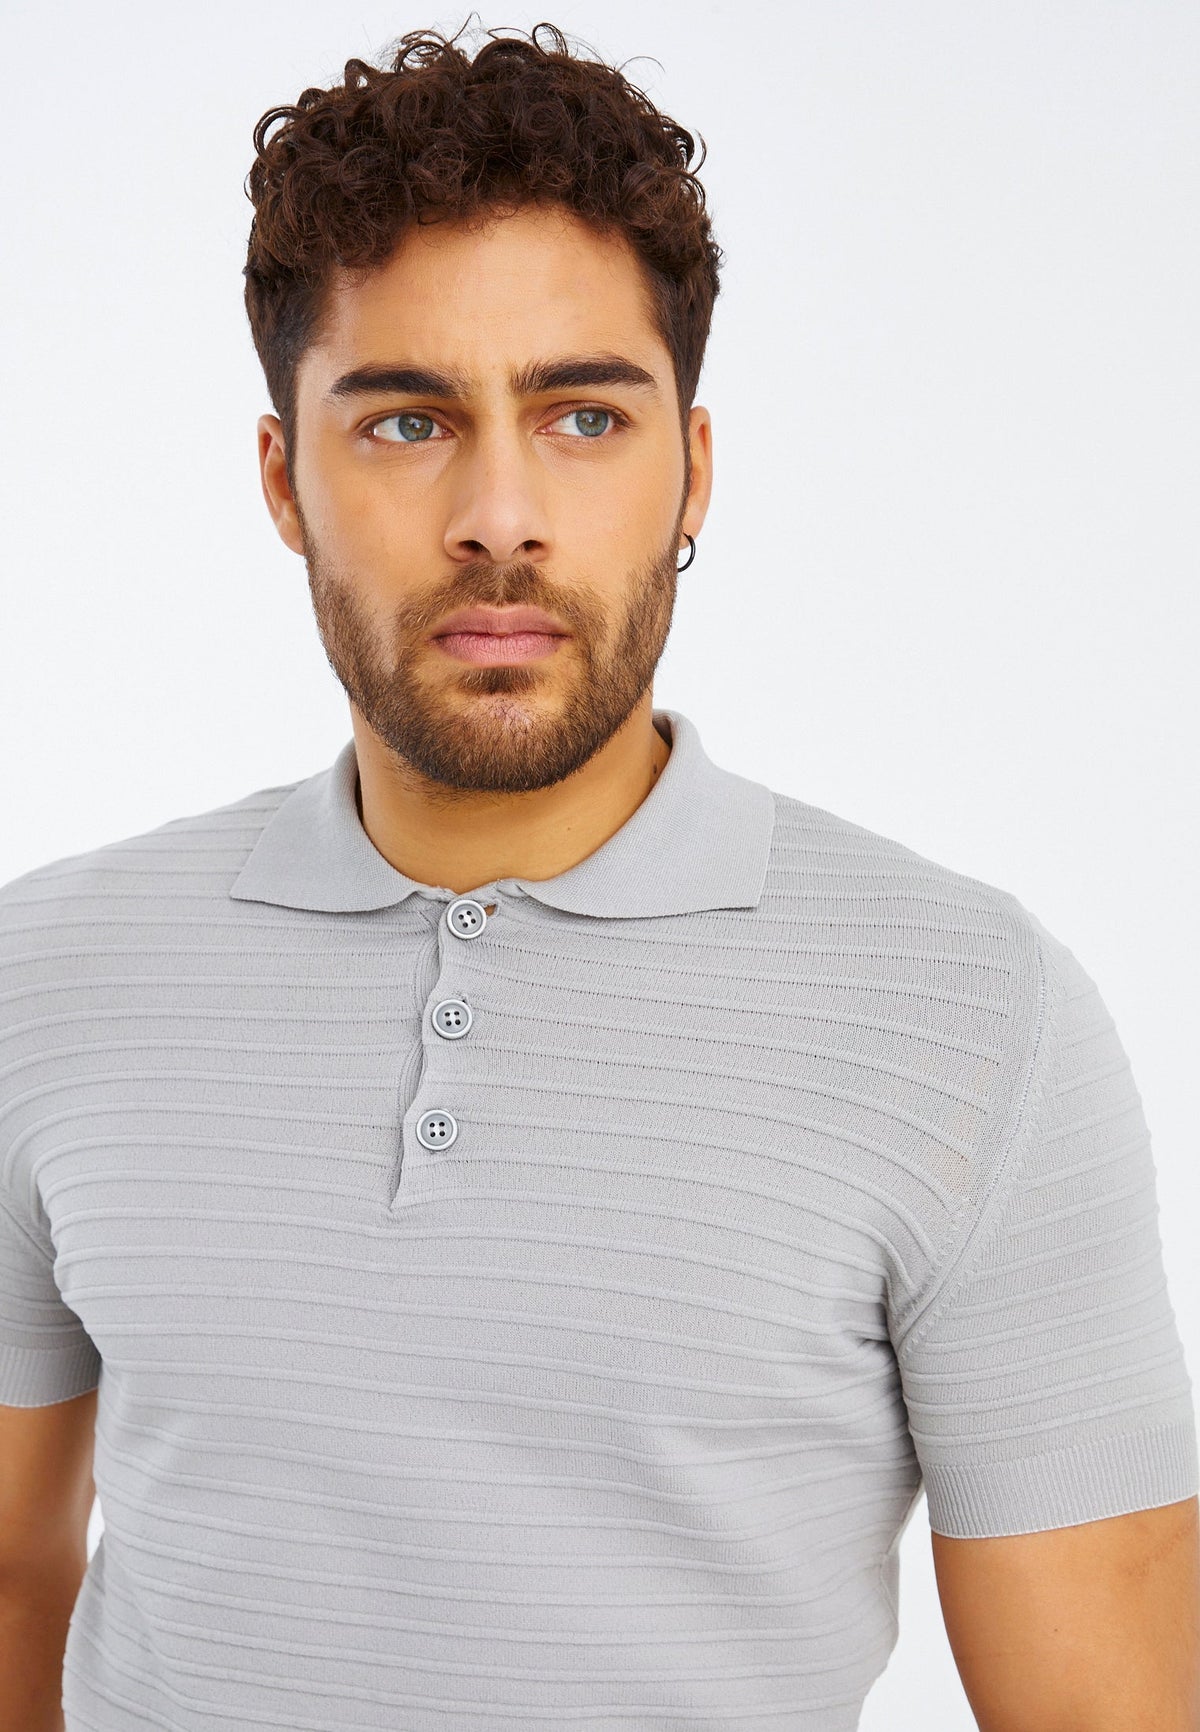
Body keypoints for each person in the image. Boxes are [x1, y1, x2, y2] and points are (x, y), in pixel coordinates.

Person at [1, 21, 1196, 1732]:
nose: (500, 514)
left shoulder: (973, 1016)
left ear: (691, 470)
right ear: (285, 482)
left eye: (582, 415)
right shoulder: (45, 978)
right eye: (405, 420)